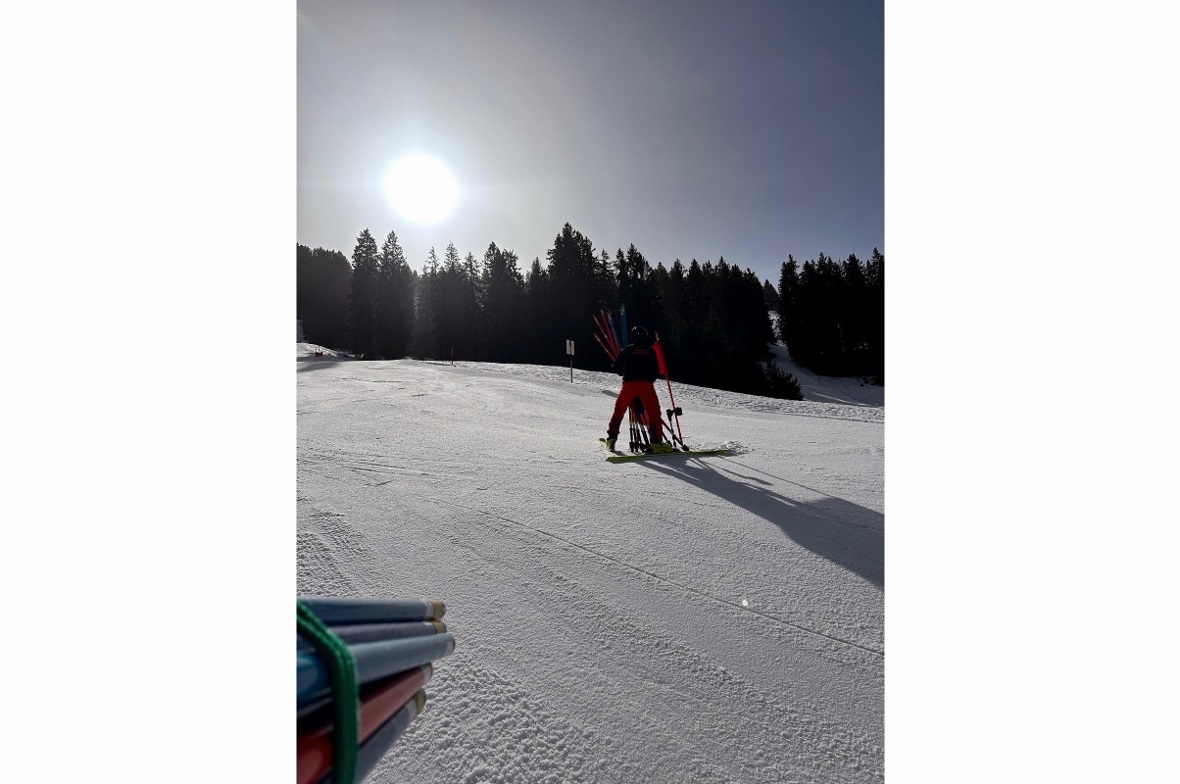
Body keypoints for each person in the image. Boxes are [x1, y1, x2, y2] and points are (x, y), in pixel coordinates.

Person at [605, 326, 675, 453]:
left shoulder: (627, 350)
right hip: (646, 385)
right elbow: (656, 370)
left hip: (629, 385)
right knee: (653, 413)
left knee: (619, 410)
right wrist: (649, 379)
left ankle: (612, 438)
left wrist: (623, 372)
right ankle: (656, 441)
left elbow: (615, 367)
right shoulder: (650, 351)